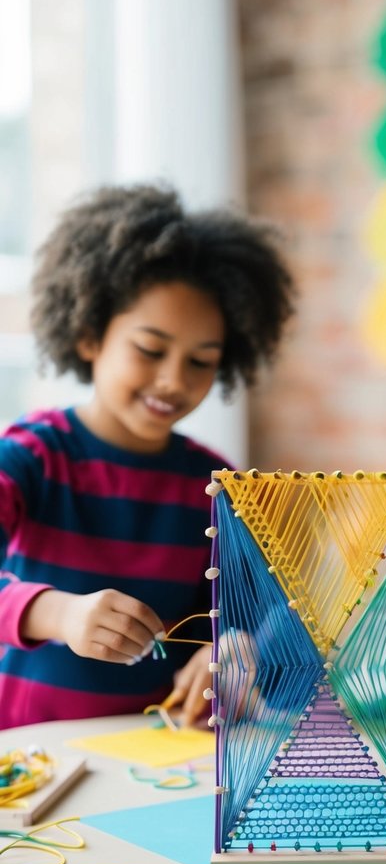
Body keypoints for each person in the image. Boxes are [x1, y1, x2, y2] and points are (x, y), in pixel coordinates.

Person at [0, 182, 294, 729]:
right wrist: (56, 612)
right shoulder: (32, 455)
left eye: (201, 361)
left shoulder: (216, 485)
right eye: (150, 350)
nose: (172, 380)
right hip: (34, 760)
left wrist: (234, 653)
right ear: (90, 334)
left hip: (160, 767)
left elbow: (278, 614)